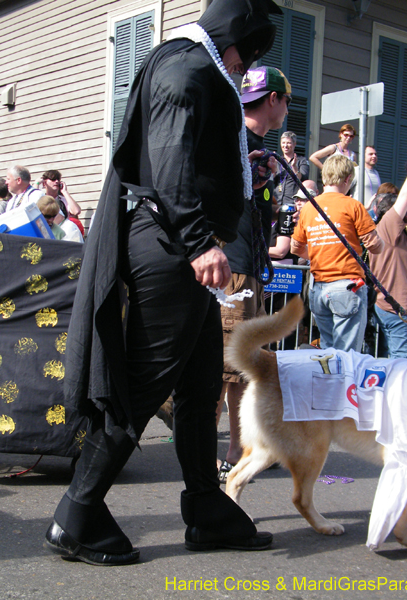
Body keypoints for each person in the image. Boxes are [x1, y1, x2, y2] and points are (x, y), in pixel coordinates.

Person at [46, 0, 281, 567]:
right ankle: (76, 512)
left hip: (178, 247)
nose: (241, 69)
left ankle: (206, 507)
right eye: (244, 56)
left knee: (201, 385)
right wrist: (201, 241)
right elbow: (170, 155)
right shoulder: (187, 66)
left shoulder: (193, 66)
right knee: (144, 384)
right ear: (232, 43)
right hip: (173, 247)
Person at [217, 64, 291, 481]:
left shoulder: (263, 149)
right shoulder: (236, 142)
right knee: (233, 367)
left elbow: (263, 212)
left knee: (241, 367)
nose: (287, 110)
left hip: (251, 266)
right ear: (274, 100)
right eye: (286, 101)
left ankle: (239, 445)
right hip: (234, 268)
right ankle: (231, 450)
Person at [291, 154, 383, 352]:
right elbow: (375, 245)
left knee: (328, 351)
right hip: (347, 286)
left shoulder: (308, 208)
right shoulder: (353, 205)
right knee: (346, 355)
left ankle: (328, 382)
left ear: (324, 178)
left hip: (318, 288)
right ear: (349, 179)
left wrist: (320, 252)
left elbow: (295, 248)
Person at [368, 160, 407, 359]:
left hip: (396, 307)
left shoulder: (393, 236)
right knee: (402, 365)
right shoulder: (388, 227)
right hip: (397, 308)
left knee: (392, 361)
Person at [39, 169, 84, 236]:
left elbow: (76, 211)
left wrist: (65, 192)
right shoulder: (41, 198)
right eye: (53, 179)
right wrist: (37, 183)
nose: (56, 181)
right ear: (44, 183)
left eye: (58, 179)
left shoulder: (63, 200)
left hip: (63, 234)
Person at [273, 131, 309, 205]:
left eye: (288, 143)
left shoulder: (302, 161)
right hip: (276, 202)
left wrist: (294, 167)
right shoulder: (277, 160)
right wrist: (273, 167)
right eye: (283, 143)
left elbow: (302, 180)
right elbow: (271, 180)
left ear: (294, 144)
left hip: (292, 203)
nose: (285, 145)